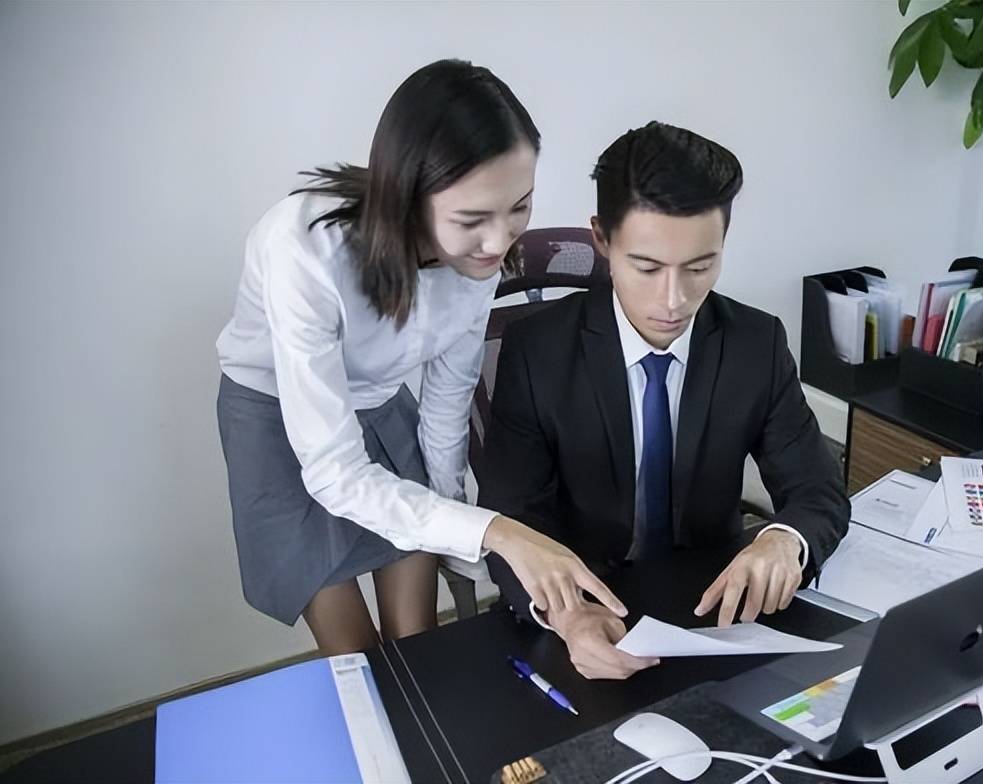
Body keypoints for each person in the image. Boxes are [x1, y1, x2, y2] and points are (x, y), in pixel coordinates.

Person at [215, 60, 623, 656]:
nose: (500, 240)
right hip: (274, 410)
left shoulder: (483, 255)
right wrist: (496, 532)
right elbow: (335, 472)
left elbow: (448, 397)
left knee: (417, 642)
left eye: (520, 206)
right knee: (356, 654)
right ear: (406, 197)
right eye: (471, 219)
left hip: (379, 403)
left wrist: (457, 520)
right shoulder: (303, 249)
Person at [479, 121, 848, 680]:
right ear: (601, 240)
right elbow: (511, 515)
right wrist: (566, 614)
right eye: (647, 268)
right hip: (588, 606)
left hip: (715, 606)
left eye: (700, 267)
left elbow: (817, 488)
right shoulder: (538, 351)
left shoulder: (756, 343)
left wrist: (782, 541)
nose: (673, 300)